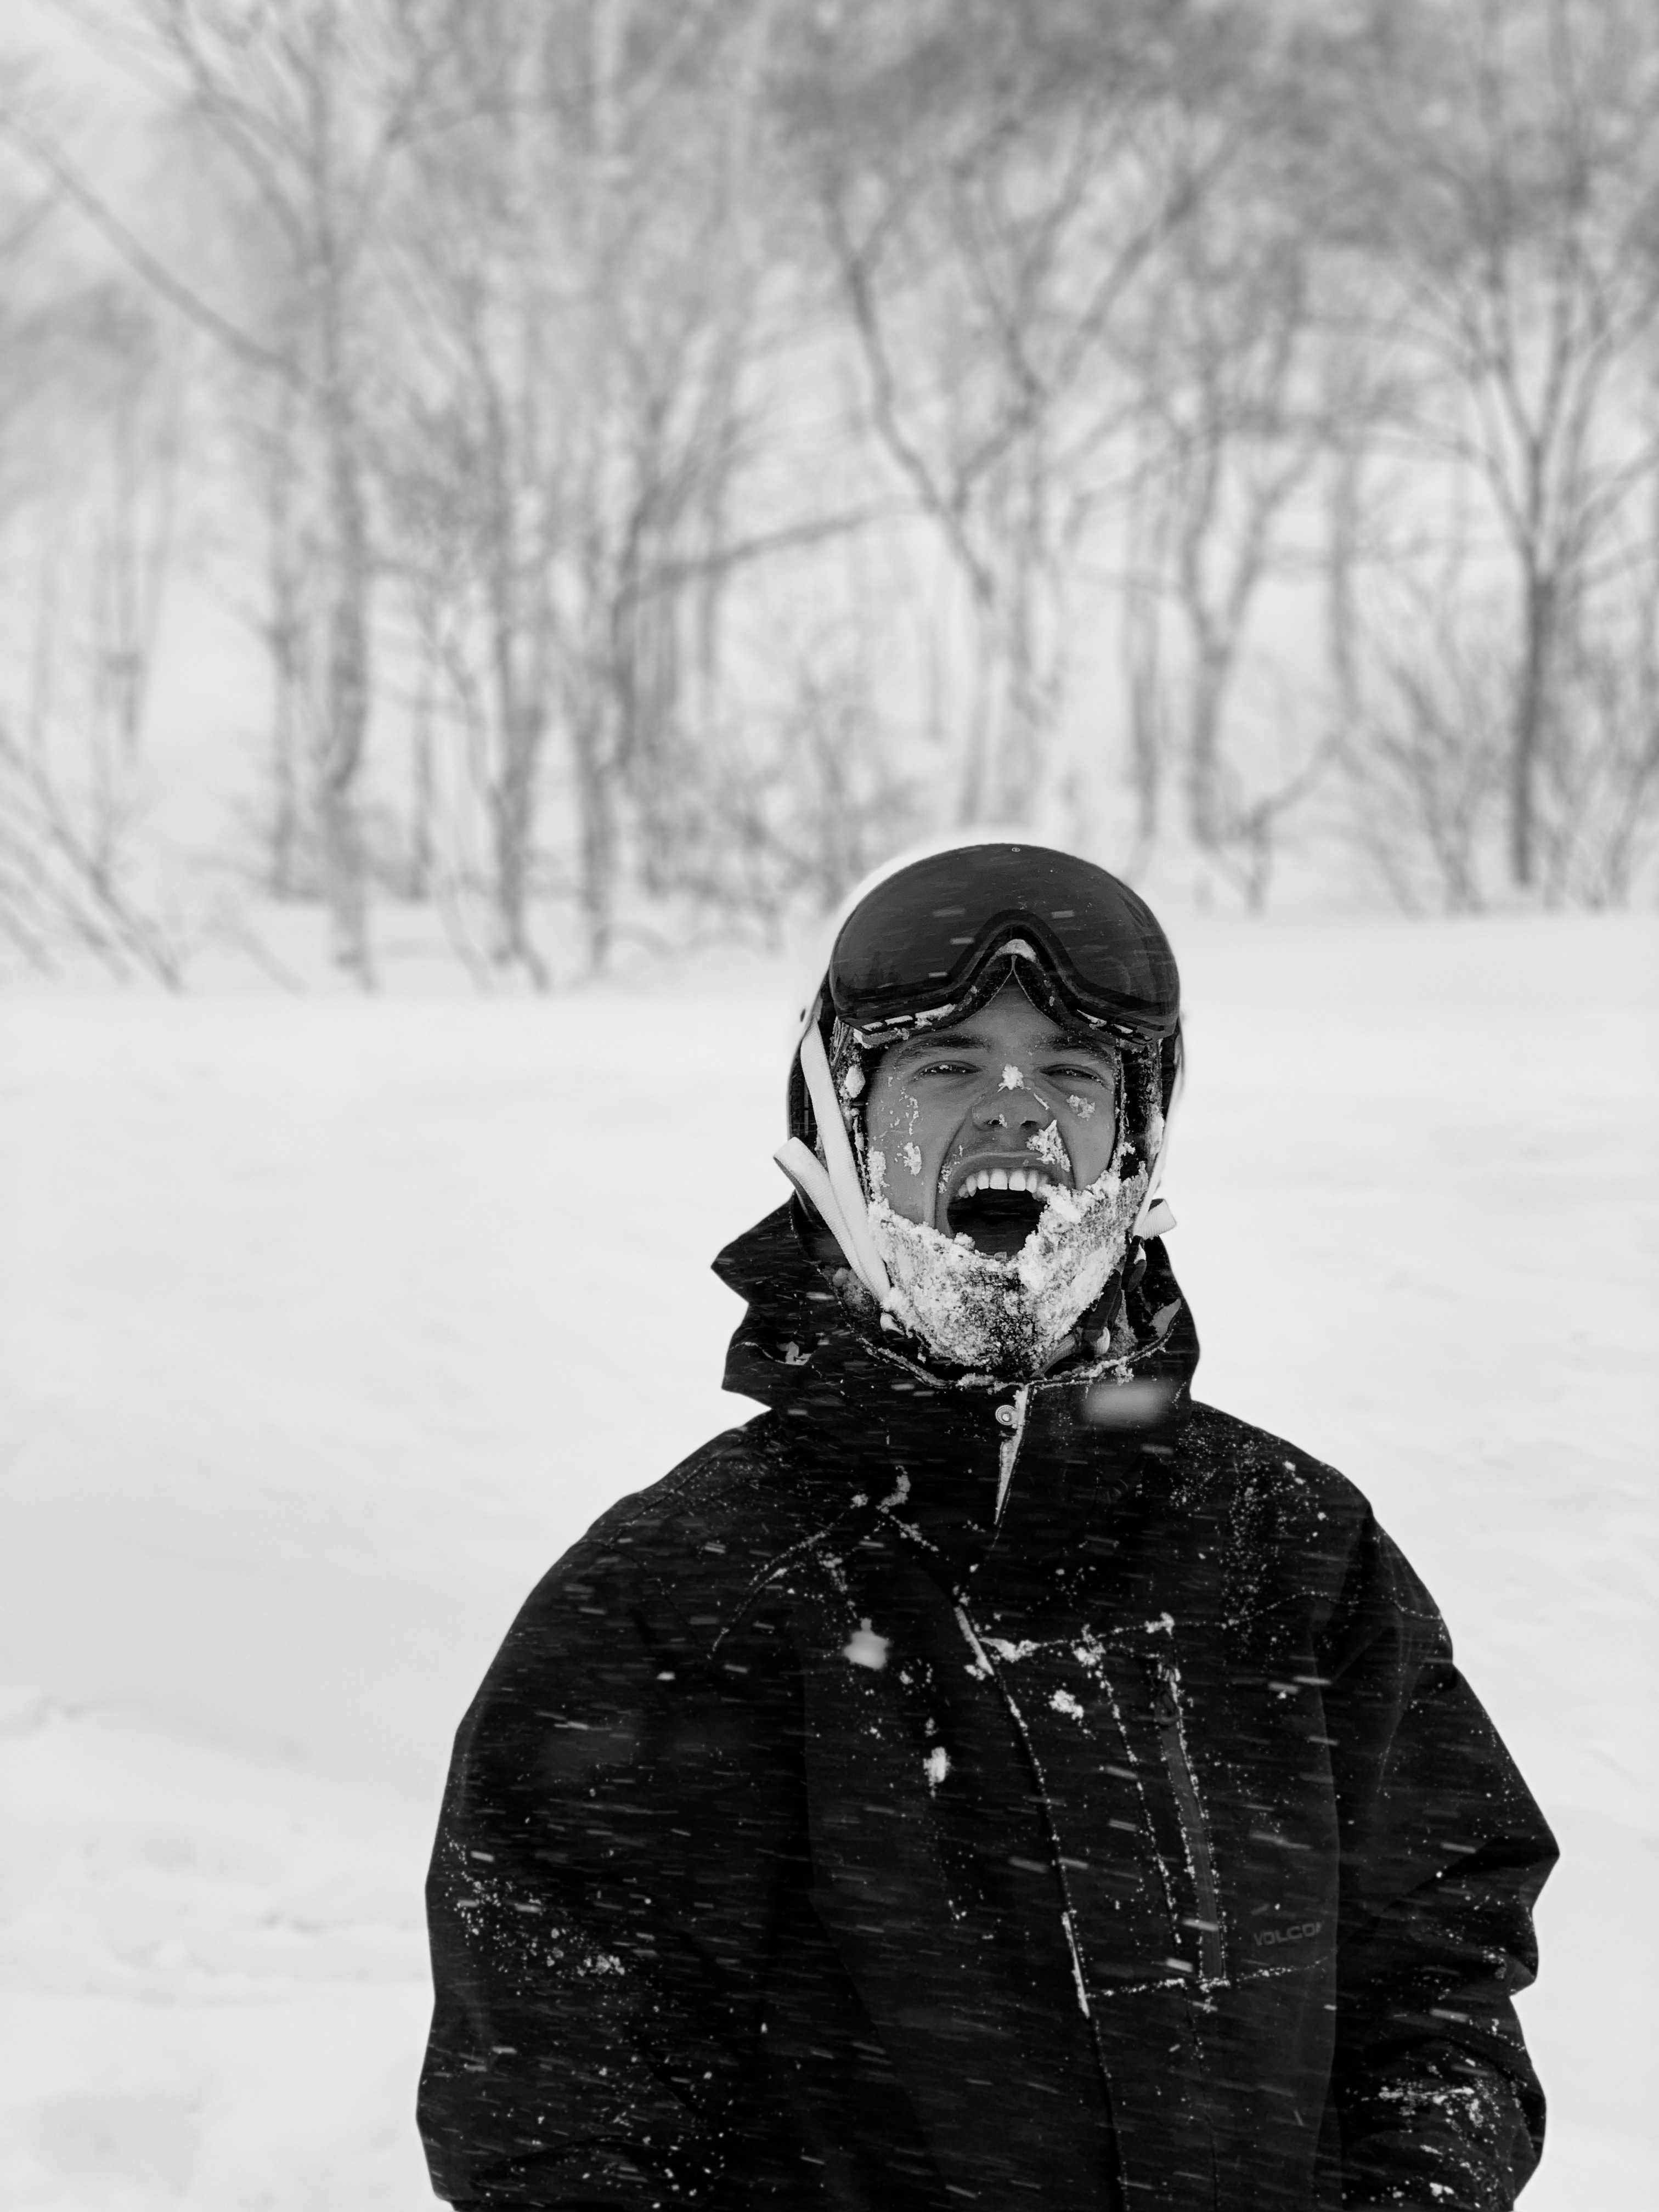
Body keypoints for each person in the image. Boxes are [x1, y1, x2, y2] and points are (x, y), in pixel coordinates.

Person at [417, 842, 1555, 2212]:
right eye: (948, 1065)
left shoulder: (1295, 1553)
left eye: (1072, 1074)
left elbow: (1440, 1975)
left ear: (1135, 1142)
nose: (1016, 1112)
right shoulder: (675, 1596)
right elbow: (554, 2117)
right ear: (846, 1126)